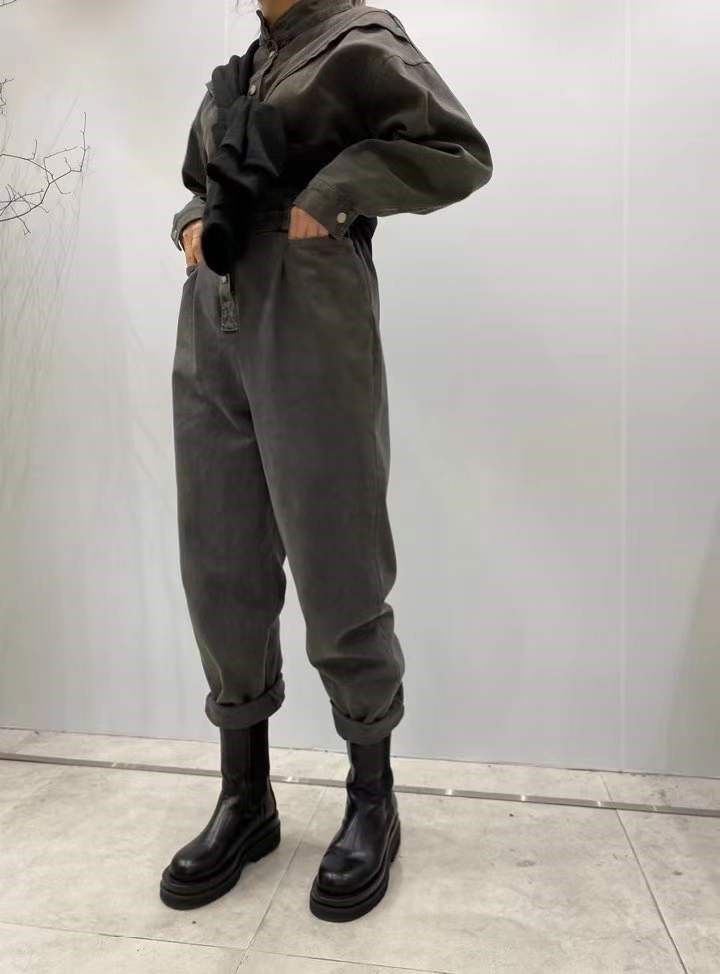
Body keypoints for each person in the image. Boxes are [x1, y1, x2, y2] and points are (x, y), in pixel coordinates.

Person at [159, 0, 493, 922]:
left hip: (309, 303)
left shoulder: (360, 42)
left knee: (337, 552)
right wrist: (191, 222)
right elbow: (198, 178)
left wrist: (333, 192)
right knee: (218, 558)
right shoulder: (239, 72)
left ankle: (371, 798)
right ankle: (245, 797)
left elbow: (457, 151)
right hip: (212, 315)